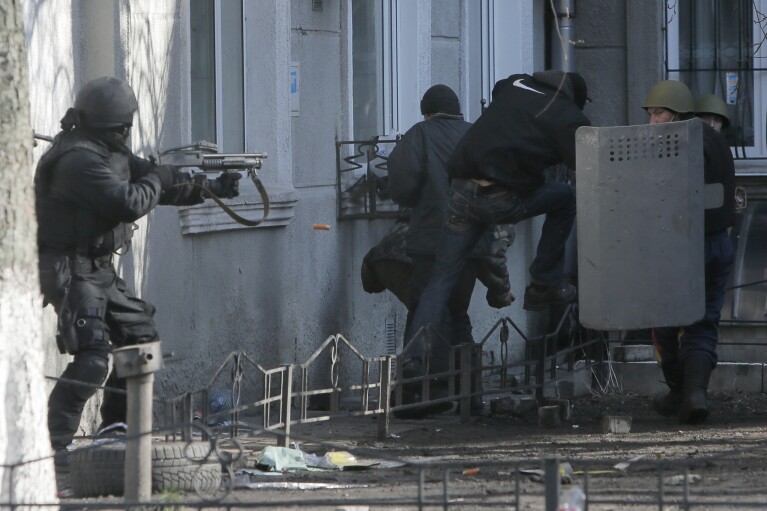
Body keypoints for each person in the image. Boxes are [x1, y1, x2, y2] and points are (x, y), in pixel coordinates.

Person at [35, 76, 241, 473]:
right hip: (69, 268)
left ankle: (114, 429)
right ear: (115, 124)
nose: (128, 133)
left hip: (98, 268)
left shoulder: (106, 150)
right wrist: (158, 178)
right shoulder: (78, 161)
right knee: (93, 358)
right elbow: (130, 201)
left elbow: (158, 182)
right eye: (125, 125)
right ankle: (50, 451)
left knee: (141, 342)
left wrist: (211, 187)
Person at [401, 71, 591, 378]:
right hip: (502, 197)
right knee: (566, 198)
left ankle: (412, 358)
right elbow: (579, 162)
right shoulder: (568, 117)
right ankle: (542, 284)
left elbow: (500, 89)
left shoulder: (516, 83)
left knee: (441, 279)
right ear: (574, 99)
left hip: (461, 192)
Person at [643, 80, 736, 424]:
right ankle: (695, 393)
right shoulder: (715, 140)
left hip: (677, 245)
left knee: (664, 321)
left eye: (659, 113)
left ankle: (681, 392)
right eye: (650, 114)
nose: (653, 121)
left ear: (678, 114)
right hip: (716, 245)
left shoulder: (674, 142)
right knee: (703, 322)